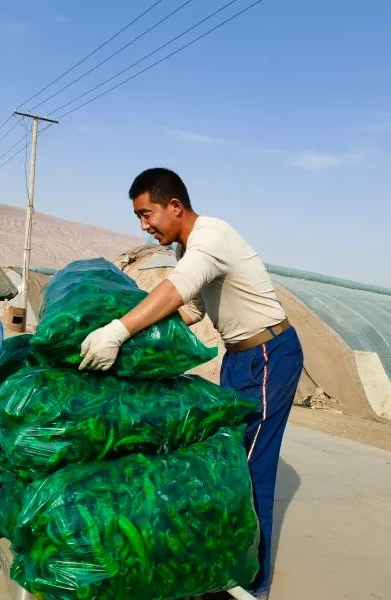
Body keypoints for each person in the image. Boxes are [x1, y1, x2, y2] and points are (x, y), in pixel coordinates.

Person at [79, 167, 304, 599]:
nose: (144, 226)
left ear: (175, 206)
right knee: (221, 460)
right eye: (139, 218)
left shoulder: (211, 237)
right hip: (239, 359)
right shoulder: (189, 250)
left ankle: (253, 583)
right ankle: (222, 564)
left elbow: (178, 290)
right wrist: (140, 337)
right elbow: (191, 310)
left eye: (147, 214)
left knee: (247, 467)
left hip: (268, 356)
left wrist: (118, 330)